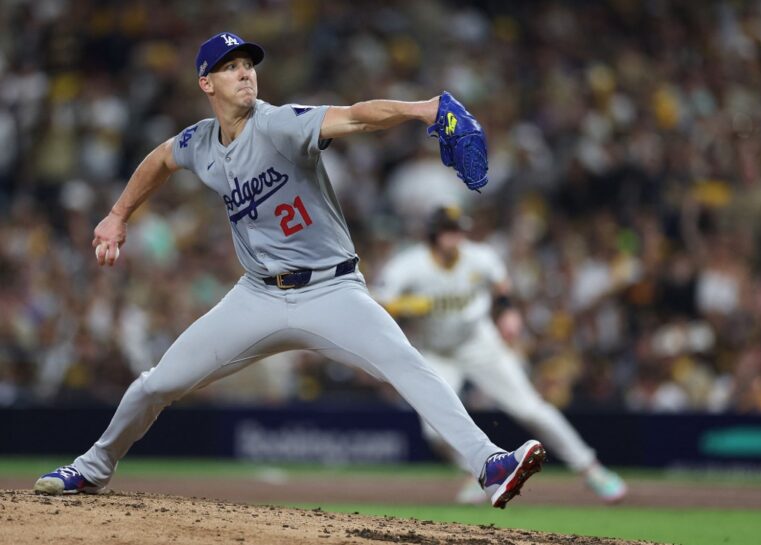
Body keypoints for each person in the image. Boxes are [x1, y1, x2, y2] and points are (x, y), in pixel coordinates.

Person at [33, 32, 545, 508]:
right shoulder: (202, 142)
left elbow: (356, 117)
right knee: (156, 384)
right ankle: (94, 467)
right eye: (230, 67)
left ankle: (489, 463)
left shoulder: (278, 123)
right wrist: (118, 215)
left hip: (332, 290)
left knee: (405, 363)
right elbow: (161, 159)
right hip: (256, 296)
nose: (245, 74)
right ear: (206, 83)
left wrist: (424, 109)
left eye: (248, 65)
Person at [374, 206, 627, 504]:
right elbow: (377, 299)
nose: (455, 236)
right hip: (437, 352)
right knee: (434, 431)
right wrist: (405, 305)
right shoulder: (411, 264)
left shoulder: (478, 256)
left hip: (480, 344)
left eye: (458, 229)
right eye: (448, 230)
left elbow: (501, 285)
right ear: (433, 233)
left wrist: (507, 312)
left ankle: (591, 469)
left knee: (530, 409)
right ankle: (478, 471)